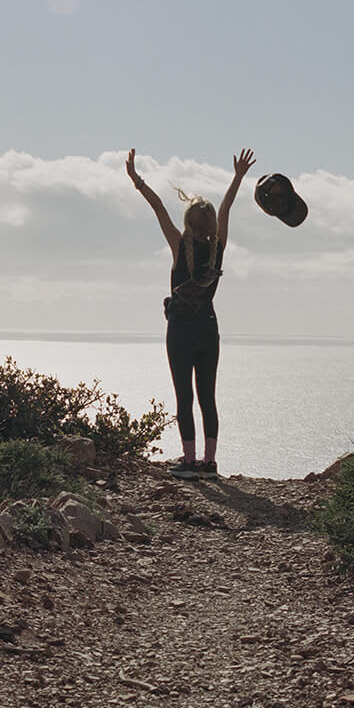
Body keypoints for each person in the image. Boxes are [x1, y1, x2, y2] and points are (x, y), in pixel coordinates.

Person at [126, 146, 255, 479]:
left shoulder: (179, 244)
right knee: (207, 397)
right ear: (212, 225)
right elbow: (226, 207)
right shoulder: (218, 247)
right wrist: (238, 177)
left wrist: (136, 179)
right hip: (208, 329)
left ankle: (189, 460)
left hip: (181, 331)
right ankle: (210, 463)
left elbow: (157, 207)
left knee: (184, 396)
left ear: (188, 223)